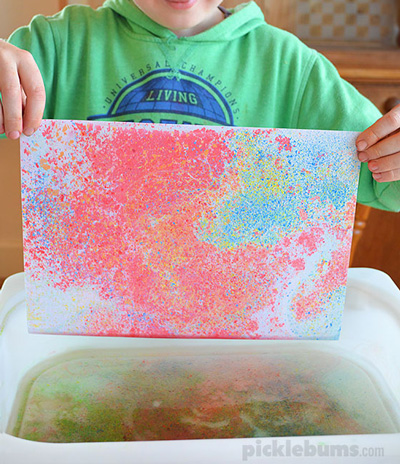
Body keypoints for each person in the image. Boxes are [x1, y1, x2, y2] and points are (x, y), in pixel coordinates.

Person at [0, 0, 399, 211]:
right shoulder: (55, 46)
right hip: (85, 321)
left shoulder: (292, 69)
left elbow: (385, 182)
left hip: (241, 325)